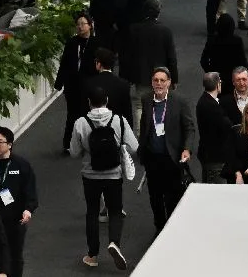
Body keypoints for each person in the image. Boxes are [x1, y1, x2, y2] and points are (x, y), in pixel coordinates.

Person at [70, 86, 134, 270]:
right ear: (107, 100)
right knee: (115, 210)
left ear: (89, 102)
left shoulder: (81, 122)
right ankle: (114, 243)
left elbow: (74, 152)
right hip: (114, 174)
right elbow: (134, 146)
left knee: (92, 212)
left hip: (90, 175)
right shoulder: (119, 120)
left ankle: (92, 255)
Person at [137, 68, 196, 230]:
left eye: (162, 80)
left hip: (172, 158)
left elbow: (189, 128)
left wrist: (187, 149)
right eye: (156, 80)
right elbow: (145, 126)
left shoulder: (179, 101)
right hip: (152, 158)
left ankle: (171, 228)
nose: (159, 83)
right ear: (151, 82)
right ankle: (159, 227)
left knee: (172, 197)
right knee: (155, 196)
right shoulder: (146, 99)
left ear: (169, 82)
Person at [0, 127, 36, 277]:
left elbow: (30, 190)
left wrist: (28, 209)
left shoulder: (21, 165)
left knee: (15, 255)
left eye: (0, 142)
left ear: (9, 144)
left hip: (15, 219)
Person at [121, 0, 178, 123]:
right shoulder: (166, 31)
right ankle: (158, 131)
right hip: (161, 77)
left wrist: (127, 77)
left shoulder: (134, 29)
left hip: (141, 77)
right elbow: (171, 57)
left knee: (139, 106)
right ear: (158, 12)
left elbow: (128, 55)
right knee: (160, 105)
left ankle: (140, 133)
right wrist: (174, 78)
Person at [55, 12, 99, 155]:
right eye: (78, 24)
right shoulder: (72, 42)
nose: (80, 27)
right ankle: (68, 144)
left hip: (89, 84)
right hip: (72, 84)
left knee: (88, 114)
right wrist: (59, 82)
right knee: (72, 114)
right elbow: (64, 63)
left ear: (90, 26)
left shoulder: (96, 43)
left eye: (83, 24)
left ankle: (89, 143)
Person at [196, 73, 233, 183]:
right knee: (217, 187)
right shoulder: (212, 106)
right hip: (215, 157)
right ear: (218, 84)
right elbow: (226, 126)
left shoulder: (203, 101)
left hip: (208, 154)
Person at [200, 12, 248, 93]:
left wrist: (210, 71)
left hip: (217, 79)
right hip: (232, 79)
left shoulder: (212, 40)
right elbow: (243, 61)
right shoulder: (237, 41)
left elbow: (203, 60)